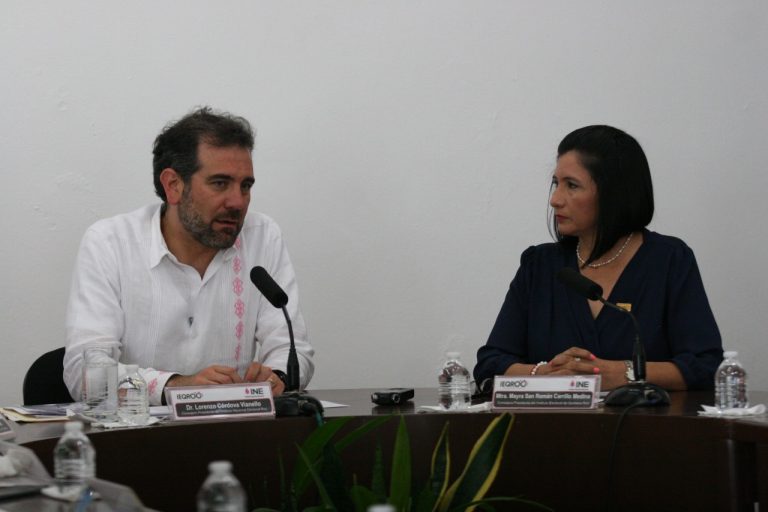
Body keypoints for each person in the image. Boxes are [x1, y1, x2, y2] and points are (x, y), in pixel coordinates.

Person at [64, 107, 314, 405]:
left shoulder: (262, 236)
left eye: (245, 186)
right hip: (137, 440)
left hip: (236, 436)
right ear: (173, 185)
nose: (237, 201)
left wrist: (277, 377)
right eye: (220, 183)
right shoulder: (110, 243)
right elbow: (86, 373)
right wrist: (178, 386)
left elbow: (293, 348)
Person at [474, 125, 722, 393]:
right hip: (548, 431)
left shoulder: (669, 260)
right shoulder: (540, 265)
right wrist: (546, 374)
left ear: (613, 192)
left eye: (572, 185)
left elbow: (705, 366)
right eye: (556, 184)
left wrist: (624, 372)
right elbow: (491, 364)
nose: (555, 200)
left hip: (645, 430)